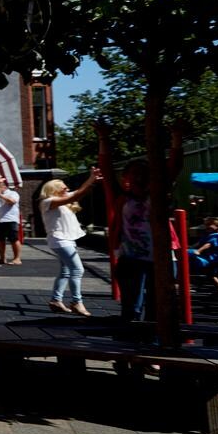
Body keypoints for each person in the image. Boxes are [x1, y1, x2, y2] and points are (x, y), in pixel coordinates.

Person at [97, 123, 158, 323]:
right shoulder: (122, 197)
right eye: (135, 172)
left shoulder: (158, 195)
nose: (140, 177)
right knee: (132, 306)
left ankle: (155, 343)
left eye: (144, 172)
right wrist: (104, 138)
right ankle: (132, 344)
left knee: (158, 305)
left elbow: (174, 168)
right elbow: (106, 170)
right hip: (131, 258)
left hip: (160, 258)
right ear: (127, 177)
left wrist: (176, 139)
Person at [40, 170, 100, 315]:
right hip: (60, 240)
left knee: (65, 271)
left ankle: (56, 300)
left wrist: (91, 178)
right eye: (63, 187)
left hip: (65, 240)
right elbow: (78, 194)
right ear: (54, 190)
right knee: (77, 270)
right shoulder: (48, 202)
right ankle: (76, 302)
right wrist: (91, 181)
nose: (67, 189)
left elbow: (79, 192)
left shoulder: (61, 200)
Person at [0, 181, 24, 266]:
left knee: (13, 239)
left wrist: (1, 195)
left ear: (4, 186)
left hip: (10, 219)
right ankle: (2, 258)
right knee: (0, 239)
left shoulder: (12, 193)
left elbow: (12, 201)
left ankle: (17, 258)